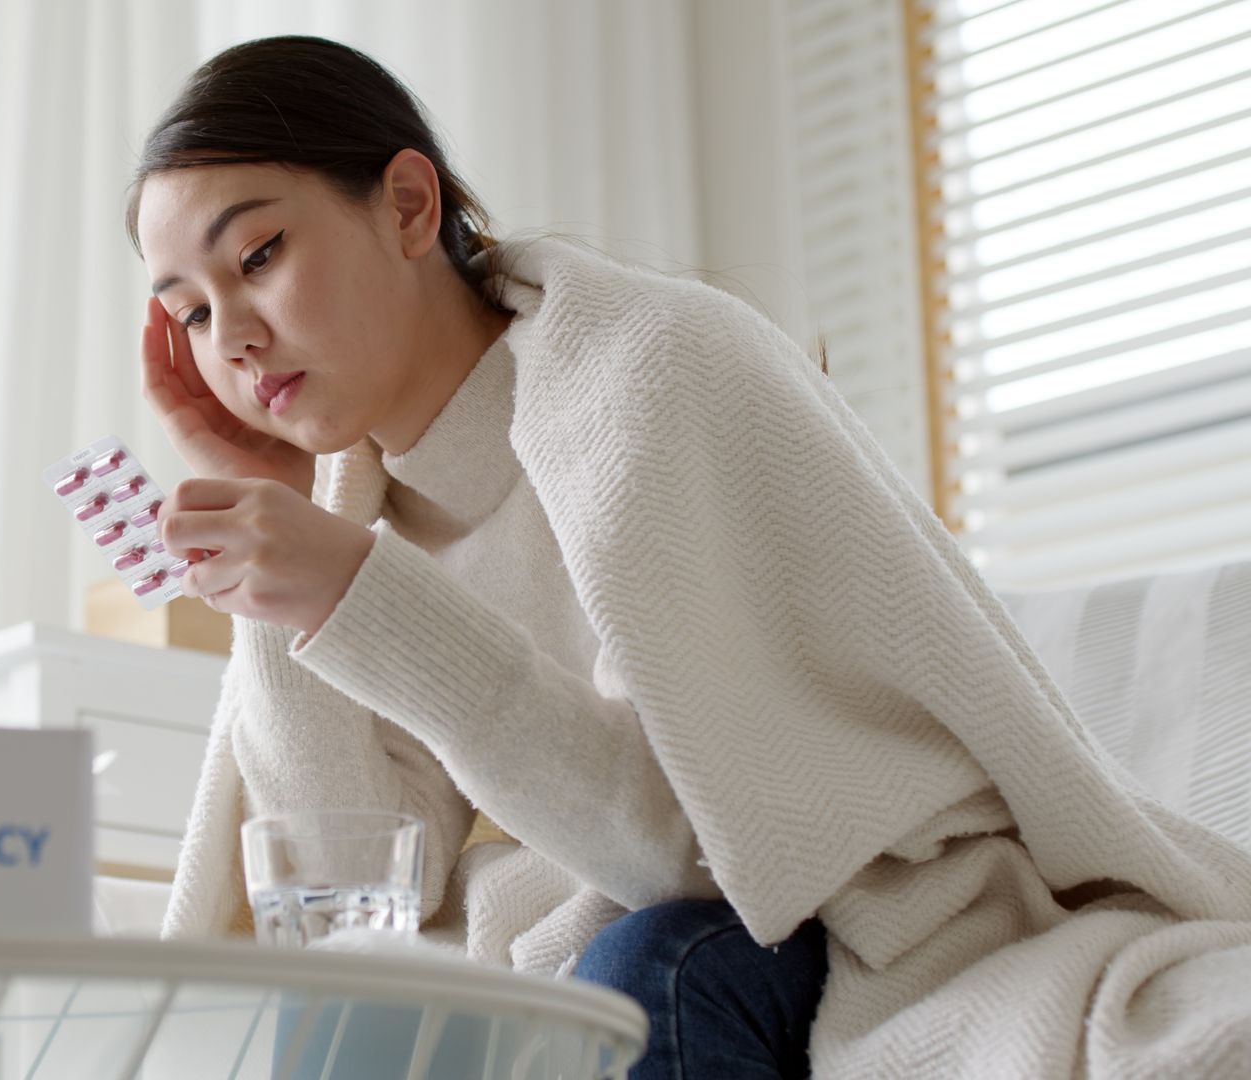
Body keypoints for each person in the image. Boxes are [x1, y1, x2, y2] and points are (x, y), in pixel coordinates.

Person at [125, 33, 1251, 1080]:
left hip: (836, 916)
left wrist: (364, 597)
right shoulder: (362, 506)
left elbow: (703, 859)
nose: (230, 335)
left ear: (409, 205)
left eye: (258, 256)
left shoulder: (654, 372)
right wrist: (276, 558)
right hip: (615, 934)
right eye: (187, 312)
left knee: (638, 980)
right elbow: (351, 901)